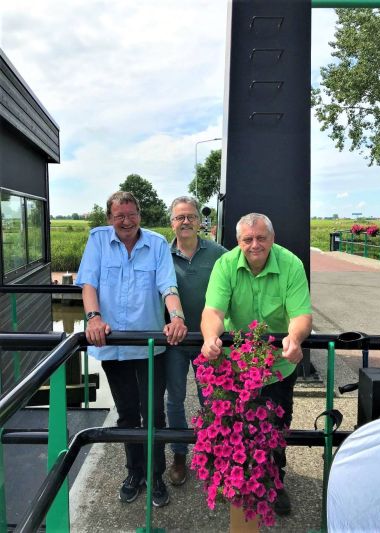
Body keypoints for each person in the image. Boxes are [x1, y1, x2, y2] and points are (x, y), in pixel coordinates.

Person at [75, 191, 187, 508]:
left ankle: (155, 475)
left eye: (132, 214)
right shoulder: (98, 240)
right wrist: (94, 318)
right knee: (126, 414)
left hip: (149, 346)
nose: (126, 221)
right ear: (109, 218)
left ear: (140, 213)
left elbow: (168, 286)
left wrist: (177, 317)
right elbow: (89, 284)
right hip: (114, 346)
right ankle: (134, 473)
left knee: (153, 412)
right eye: (119, 216)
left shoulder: (156, 244)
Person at [200, 213, 312, 516]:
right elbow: (213, 311)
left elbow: (301, 314)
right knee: (236, 428)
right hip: (236, 366)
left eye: (261, 238)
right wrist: (210, 338)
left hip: (278, 365)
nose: (255, 245)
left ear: (272, 239)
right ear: (238, 241)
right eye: (247, 239)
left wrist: (294, 338)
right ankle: (238, 482)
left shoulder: (291, 264)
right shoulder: (225, 265)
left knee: (277, 425)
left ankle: (276, 481)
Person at [165, 196, 227, 486]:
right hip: (175, 343)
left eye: (191, 216)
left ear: (200, 221)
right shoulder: (162, 255)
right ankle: (179, 454)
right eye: (180, 217)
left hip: (207, 342)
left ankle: (212, 451)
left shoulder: (218, 253)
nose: (186, 221)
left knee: (211, 399)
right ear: (172, 223)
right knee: (174, 399)